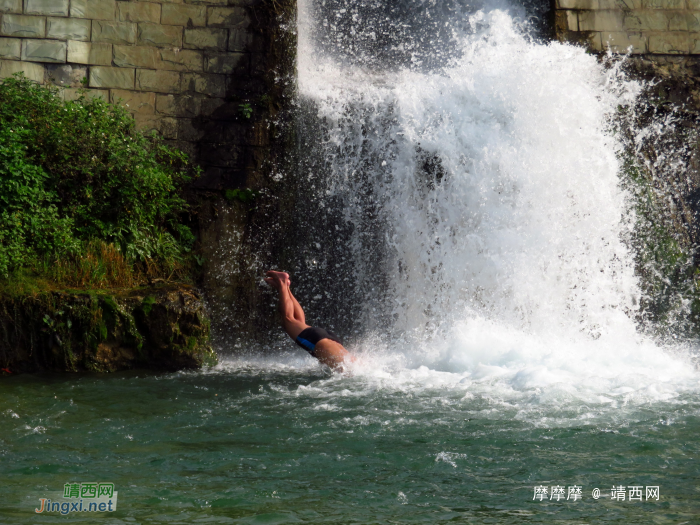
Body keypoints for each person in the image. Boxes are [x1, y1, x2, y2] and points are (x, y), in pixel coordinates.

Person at [265, 270, 353, 370]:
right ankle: (282, 282)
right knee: (288, 320)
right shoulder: (351, 371)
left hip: (329, 340)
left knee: (299, 324)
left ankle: (286, 287)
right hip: (320, 343)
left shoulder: (356, 367)